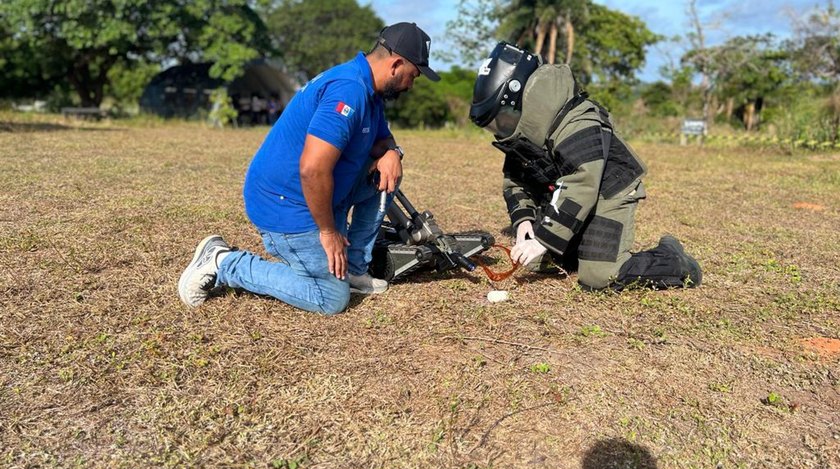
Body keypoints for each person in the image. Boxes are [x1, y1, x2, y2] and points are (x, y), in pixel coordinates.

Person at [178, 22, 440, 314]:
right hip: (288, 202)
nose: (410, 85)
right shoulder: (349, 90)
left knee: (387, 175)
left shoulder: (370, 91)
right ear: (396, 64)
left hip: (321, 196)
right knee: (330, 298)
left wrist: (392, 151)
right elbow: (312, 169)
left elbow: (380, 139)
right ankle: (224, 263)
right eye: (413, 76)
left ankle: (354, 268)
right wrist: (328, 232)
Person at [470, 42, 701, 290]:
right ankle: (576, 247)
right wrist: (524, 222)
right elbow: (515, 178)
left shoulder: (577, 120)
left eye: (501, 119)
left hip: (609, 189)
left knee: (600, 277)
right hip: (574, 191)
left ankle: (673, 259)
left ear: (518, 100)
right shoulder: (526, 131)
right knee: (539, 261)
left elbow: (581, 182)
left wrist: (543, 240)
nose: (500, 130)